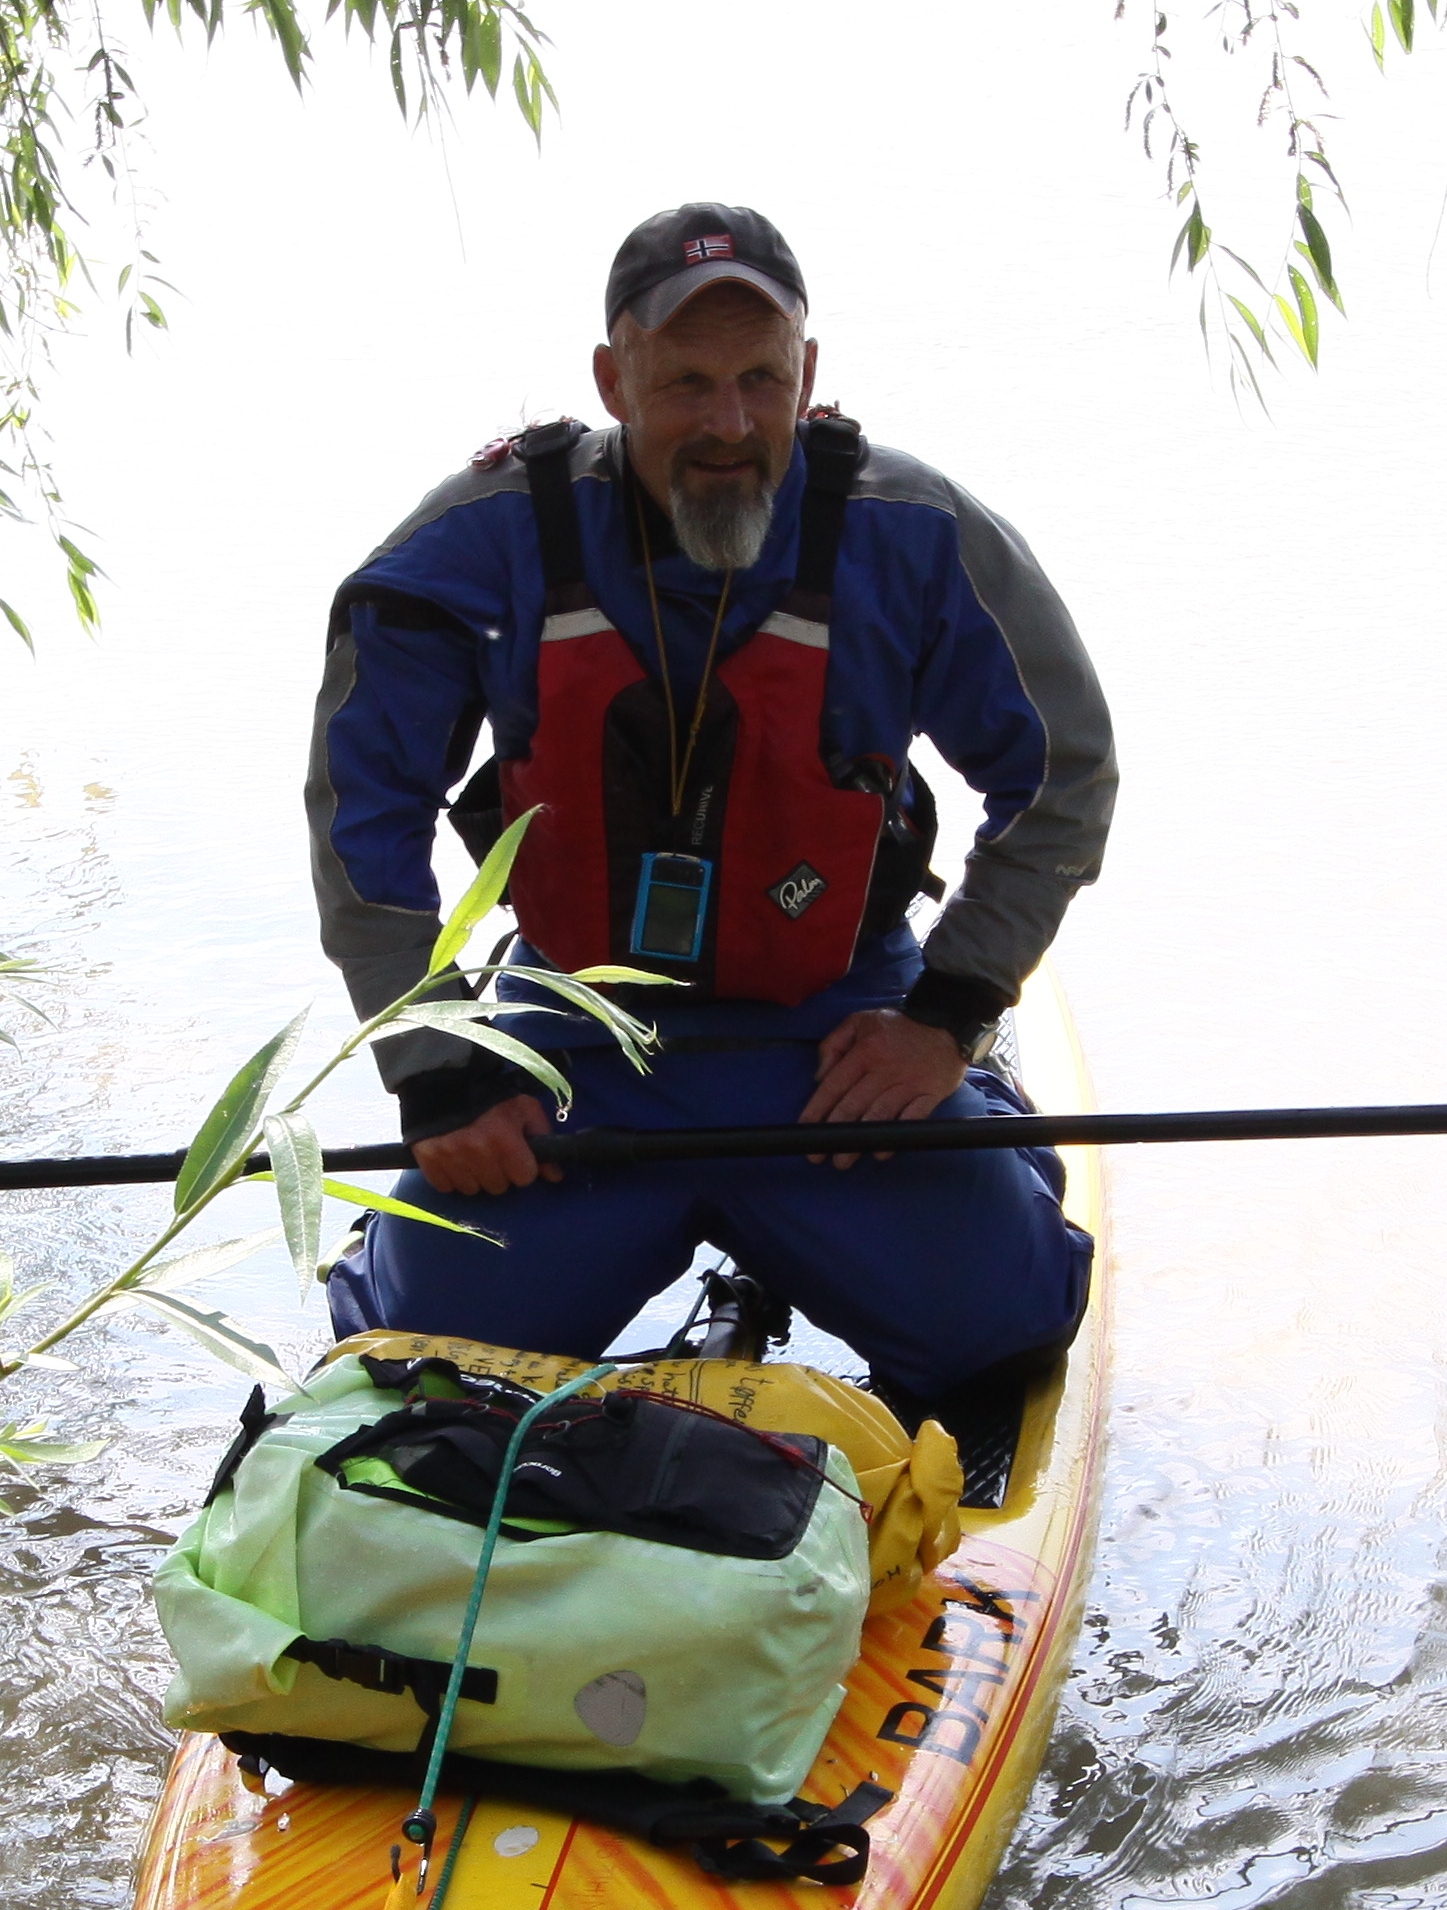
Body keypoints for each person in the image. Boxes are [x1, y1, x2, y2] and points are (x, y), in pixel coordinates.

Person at [307, 202, 1114, 1415]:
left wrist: (946, 1015)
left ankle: (982, 1111)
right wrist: (438, 1070)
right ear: (611, 379)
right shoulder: (478, 541)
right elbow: (361, 822)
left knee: (1002, 1331)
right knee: (427, 1364)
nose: (729, 424)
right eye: (685, 383)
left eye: (760, 379)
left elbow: (1063, 777)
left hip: (835, 1028)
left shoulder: (917, 534)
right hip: (574, 1035)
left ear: (809, 375)